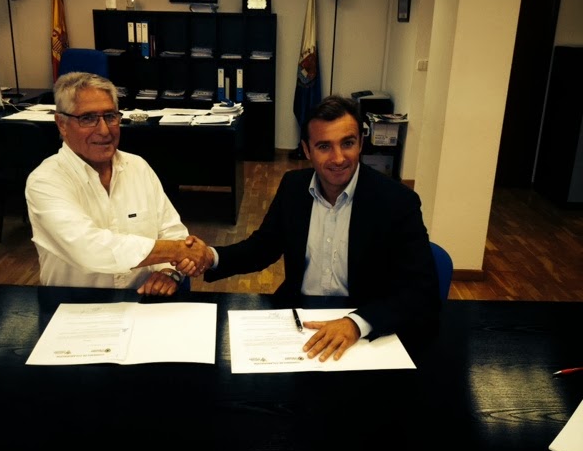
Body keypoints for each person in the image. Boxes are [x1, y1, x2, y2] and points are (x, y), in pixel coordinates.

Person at [186, 95, 440, 361]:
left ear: (361, 143)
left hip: (366, 327)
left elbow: (422, 289)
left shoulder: (397, 201)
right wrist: (211, 256)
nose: (338, 158)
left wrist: (357, 323)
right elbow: (262, 248)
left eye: (348, 143)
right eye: (324, 146)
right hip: (298, 320)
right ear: (307, 150)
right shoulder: (293, 187)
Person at [25, 72, 212, 296]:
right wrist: (178, 251)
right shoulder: (45, 181)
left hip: (143, 300)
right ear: (62, 124)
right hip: (75, 305)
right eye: (88, 118)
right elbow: (90, 248)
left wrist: (168, 272)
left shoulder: (138, 167)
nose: (104, 130)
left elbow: (172, 231)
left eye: (110, 116)